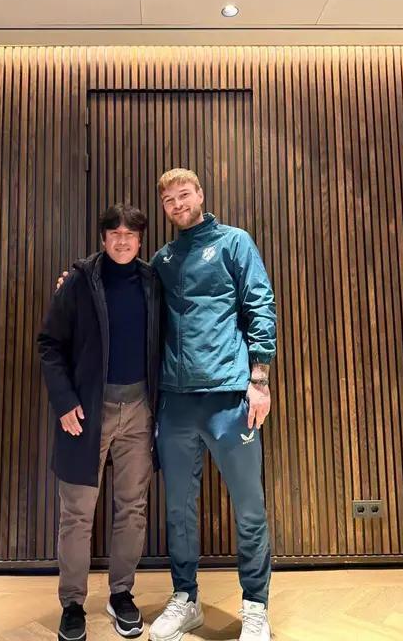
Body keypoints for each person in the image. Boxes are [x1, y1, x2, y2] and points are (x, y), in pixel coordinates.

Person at [148, 168, 276, 641]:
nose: (178, 204)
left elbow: (260, 304)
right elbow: (127, 293)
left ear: (200, 194)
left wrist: (259, 379)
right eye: (169, 200)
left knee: (249, 508)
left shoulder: (234, 242)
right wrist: (77, 282)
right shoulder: (162, 259)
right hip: (176, 403)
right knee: (178, 510)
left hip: (229, 397)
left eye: (184, 194)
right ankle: (186, 599)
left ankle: (255, 607)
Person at [38, 203, 160, 641]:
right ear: (104, 238)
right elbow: (49, 345)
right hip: (87, 411)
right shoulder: (78, 282)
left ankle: (121, 594)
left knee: (133, 507)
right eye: (115, 233)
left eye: (131, 234)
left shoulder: (153, 282)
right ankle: (72, 603)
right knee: (76, 514)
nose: (122, 241)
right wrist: (64, 401)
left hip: (141, 409)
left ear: (140, 239)